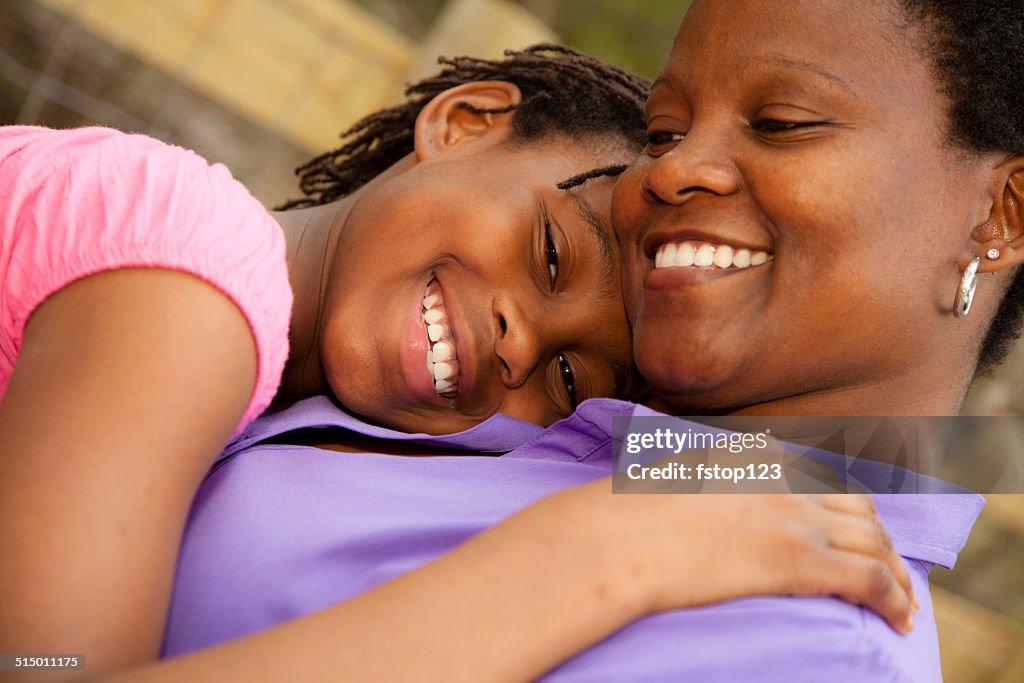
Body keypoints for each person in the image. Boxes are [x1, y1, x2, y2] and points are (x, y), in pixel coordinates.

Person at [162, 0, 1019, 680]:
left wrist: (592, 555)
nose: (671, 171)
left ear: (1000, 214)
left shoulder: (812, 646)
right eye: (664, 131)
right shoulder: (552, 420)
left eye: (782, 121)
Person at [0, 45, 914, 683]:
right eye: (554, 254)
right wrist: (609, 550)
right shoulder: (185, 279)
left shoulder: (261, 383)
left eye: (566, 383)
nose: (523, 341)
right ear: (466, 122)